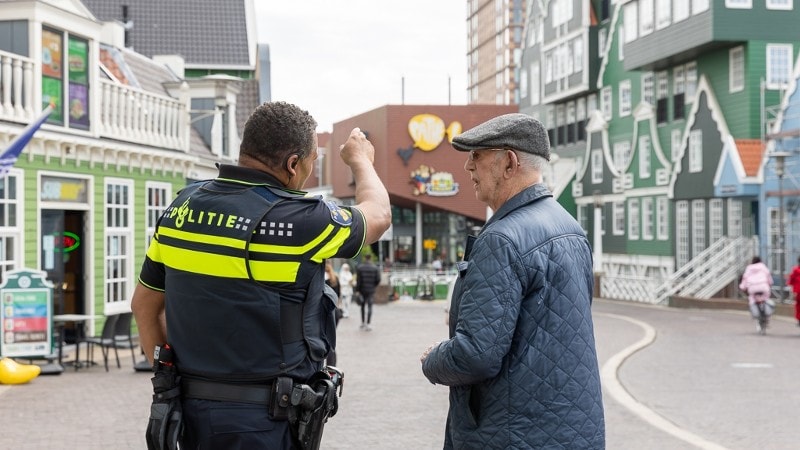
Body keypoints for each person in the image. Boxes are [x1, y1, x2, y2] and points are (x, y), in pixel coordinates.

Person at [131, 101, 391, 449]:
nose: (310, 172)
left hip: (188, 417)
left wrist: (170, 382)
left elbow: (144, 306)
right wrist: (360, 159)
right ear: (292, 164)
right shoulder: (301, 220)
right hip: (266, 422)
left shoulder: (181, 208)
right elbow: (378, 215)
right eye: (312, 162)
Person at [419, 113, 605, 449]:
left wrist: (434, 360)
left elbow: (477, 354)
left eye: (477, 155)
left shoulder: (502, 239)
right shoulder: (570, 228)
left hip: (511, 434)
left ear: (509, 163)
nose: (468, 167)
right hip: (571, 430)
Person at [740, 256, 774, 323]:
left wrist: (743, 287)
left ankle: (755, 314)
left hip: (752, 288)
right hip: (763, 287)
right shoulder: (763, 267)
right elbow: (769, 277)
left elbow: (745, 278)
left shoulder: (749, 268)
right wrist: (770, 283)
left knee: (752, 299)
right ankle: (767, 317)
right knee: (766, 299)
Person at [355, 253, 381, 331]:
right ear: (370, 258)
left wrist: (357, 290)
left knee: (362, 306)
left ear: (365, 258)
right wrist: (374, 285)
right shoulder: (375, 268)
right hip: (371, 290)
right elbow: (378, 279)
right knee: (370, 306)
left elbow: (358, 281)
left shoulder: (360, 268)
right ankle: (368, 323)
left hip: (362, 290)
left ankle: (363, 322)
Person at [325, 261, 342, 367]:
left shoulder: (321, 277)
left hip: (324, 312)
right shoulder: (335, 277)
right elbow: (338, 294)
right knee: (331, 340)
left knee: (323, 339)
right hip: (335, 311)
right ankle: (332, 366)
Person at [787, 256, 800, 326]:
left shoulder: (795, 270)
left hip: (798, 291)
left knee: (798, 306)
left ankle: (799, 319)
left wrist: (790, 284)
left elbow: (791, 280)